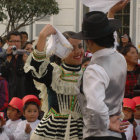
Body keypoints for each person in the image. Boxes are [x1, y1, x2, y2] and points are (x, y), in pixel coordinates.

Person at [71, 11, 128, 140]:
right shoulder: (120, 58)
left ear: (89, 41)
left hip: (98, 135)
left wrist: (107, 124)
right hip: (118, 134)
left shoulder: (95, 69)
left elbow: (95, 106)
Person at [24, 25, 84, 139]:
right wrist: (42, 36)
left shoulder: (88, 73)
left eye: (80, 46)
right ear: (60, 51)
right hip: (50, 133)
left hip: (79, 132)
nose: (78, 52)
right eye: (71, 48)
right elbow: (36, 67)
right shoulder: (54, 73)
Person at [1, 31, 26, 100]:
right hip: (6, 95)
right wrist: (8, 60)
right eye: (13, 41)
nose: (16, 44)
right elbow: (2, 73)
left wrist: (25, 62)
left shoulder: (24, 56)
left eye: (18, 41)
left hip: (22, 94)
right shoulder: (2, 57)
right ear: (7, 42)